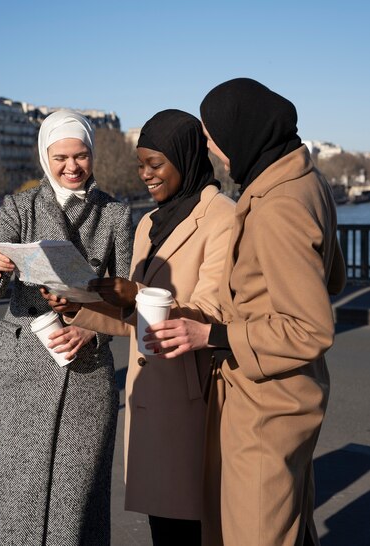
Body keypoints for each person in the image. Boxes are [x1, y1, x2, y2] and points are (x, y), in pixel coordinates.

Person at [144, 79, 346, 546]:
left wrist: (214, 335)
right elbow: (331, 280)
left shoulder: (277, 205)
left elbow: (311, 328)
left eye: (214, 137)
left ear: (243, 130)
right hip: (291, 395)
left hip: (265, 403)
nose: (212, 150)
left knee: (253, 531)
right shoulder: (305, 180)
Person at [42, 109, 236, 546]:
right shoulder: (151, 221)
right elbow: (134, 318)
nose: (145, 175)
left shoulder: (222, 216)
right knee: (162, 525)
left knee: (192, 526)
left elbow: (211, 311)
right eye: (140, 164)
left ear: (185, 159)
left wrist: (134, 293)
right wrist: (76, 305)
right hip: (147, 394)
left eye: (155, 164)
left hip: (191, 396)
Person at [0, 109, 132, 546]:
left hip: (87, 371)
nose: (72, 167)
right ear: (45, 157)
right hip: (23, 370)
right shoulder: (19, 207)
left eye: (81, 156)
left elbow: (130, 303)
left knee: (77, 499)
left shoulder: (115, 214)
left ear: (93, 154)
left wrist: (90, 328)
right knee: (13, 497)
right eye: (60, 157)